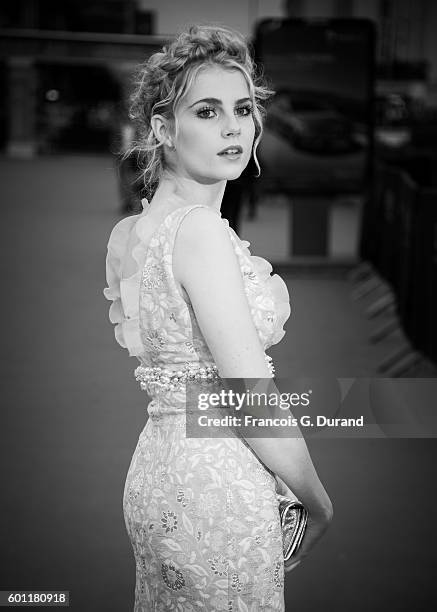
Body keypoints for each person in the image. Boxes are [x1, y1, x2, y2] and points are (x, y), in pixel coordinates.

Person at [103, 24, 333, 611]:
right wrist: (317, 499)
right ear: (162, 129)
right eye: (207, 111)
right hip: (214, 488)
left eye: (243, 109)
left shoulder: (140, 228)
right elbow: (247, 394)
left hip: (159, 469)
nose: (234, 127)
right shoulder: (200, 231)